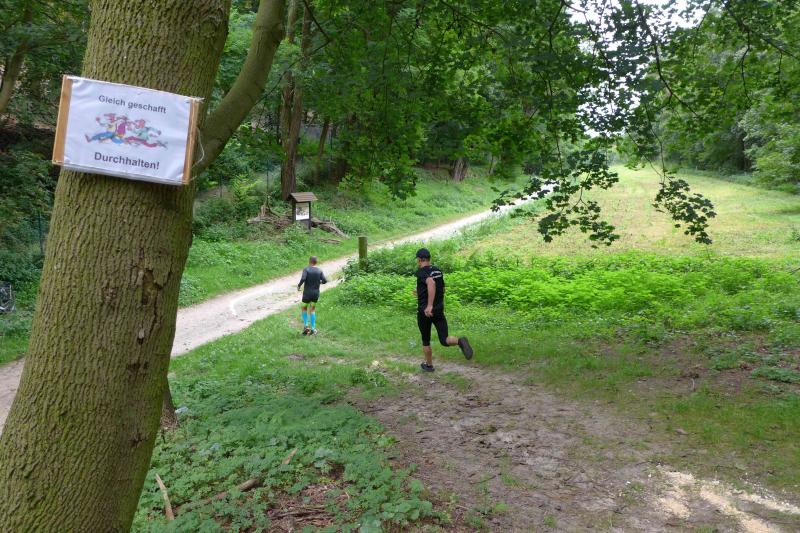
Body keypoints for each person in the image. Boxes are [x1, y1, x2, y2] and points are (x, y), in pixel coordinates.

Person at [413, 248, 472, 372]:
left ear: (419, 259)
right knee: (445, 340)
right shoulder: (437, 271)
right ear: (429, 258)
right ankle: (459, 341)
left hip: (425, 312)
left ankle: (429, 365)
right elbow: (442, 289)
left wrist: (429, 305)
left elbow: (431, 283)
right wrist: (421, 293)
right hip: (438, 310)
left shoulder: (421, 272)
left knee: (426, 340)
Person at [297, 256, 328, 335]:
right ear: (316, 262)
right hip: (315, 293)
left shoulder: (306, 269)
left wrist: (299, 285)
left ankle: (306, 326)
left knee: (304, 308)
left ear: (309, 261)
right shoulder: (319, 270)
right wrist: (319, 282)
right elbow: (325, 280)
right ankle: (313, 329)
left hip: (307, 293)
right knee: (312, 309)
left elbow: (303, 278)